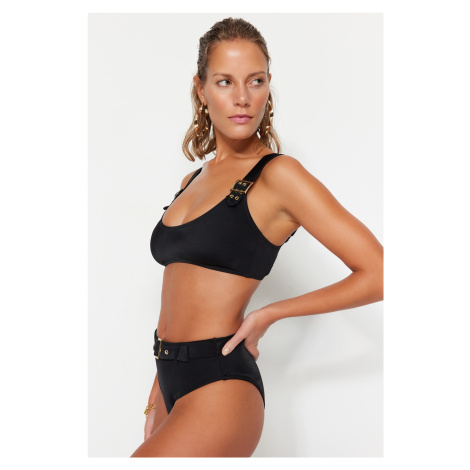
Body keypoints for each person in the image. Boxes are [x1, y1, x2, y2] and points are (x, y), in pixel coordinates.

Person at [131, 17, 383, 458]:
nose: (243, 98)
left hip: (221, 383)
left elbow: (379, 273)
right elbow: (179, 292)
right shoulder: (193, 180)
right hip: (170, 379)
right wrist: (158, 389)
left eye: (256, 81)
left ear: (268, 86)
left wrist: (270, 313)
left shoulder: (278, 175)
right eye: (225, 82)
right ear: (201, 89)